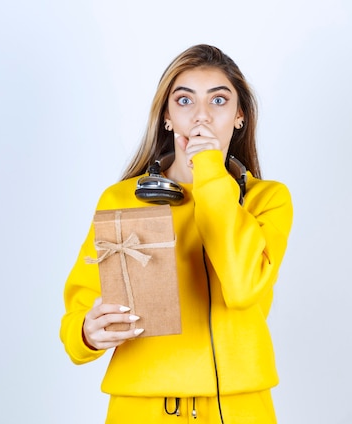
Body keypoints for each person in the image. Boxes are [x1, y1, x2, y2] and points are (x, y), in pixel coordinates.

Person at [60, 44, 293, 423]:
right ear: (167, 117)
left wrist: (210, 172)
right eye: (184, 100)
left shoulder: (267, 200)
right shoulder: (122, 198)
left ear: (239, 116)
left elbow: (242, 288)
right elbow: (78, 320)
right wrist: (88, 332)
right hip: (140, 407)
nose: (201, 115)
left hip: (236, 407)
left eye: (218, 100)